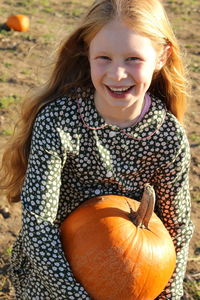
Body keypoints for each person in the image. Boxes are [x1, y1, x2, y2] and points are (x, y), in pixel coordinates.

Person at [0, 0, 194, 299]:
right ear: (86, 53)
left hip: (131, 280)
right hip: (54, 275)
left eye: (133, 59)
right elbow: (39, 224)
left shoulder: (167, 137)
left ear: (161, 57)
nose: (117, 74)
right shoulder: (59, 121)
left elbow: (176, 231)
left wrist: (169, 296)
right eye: (104, 57)